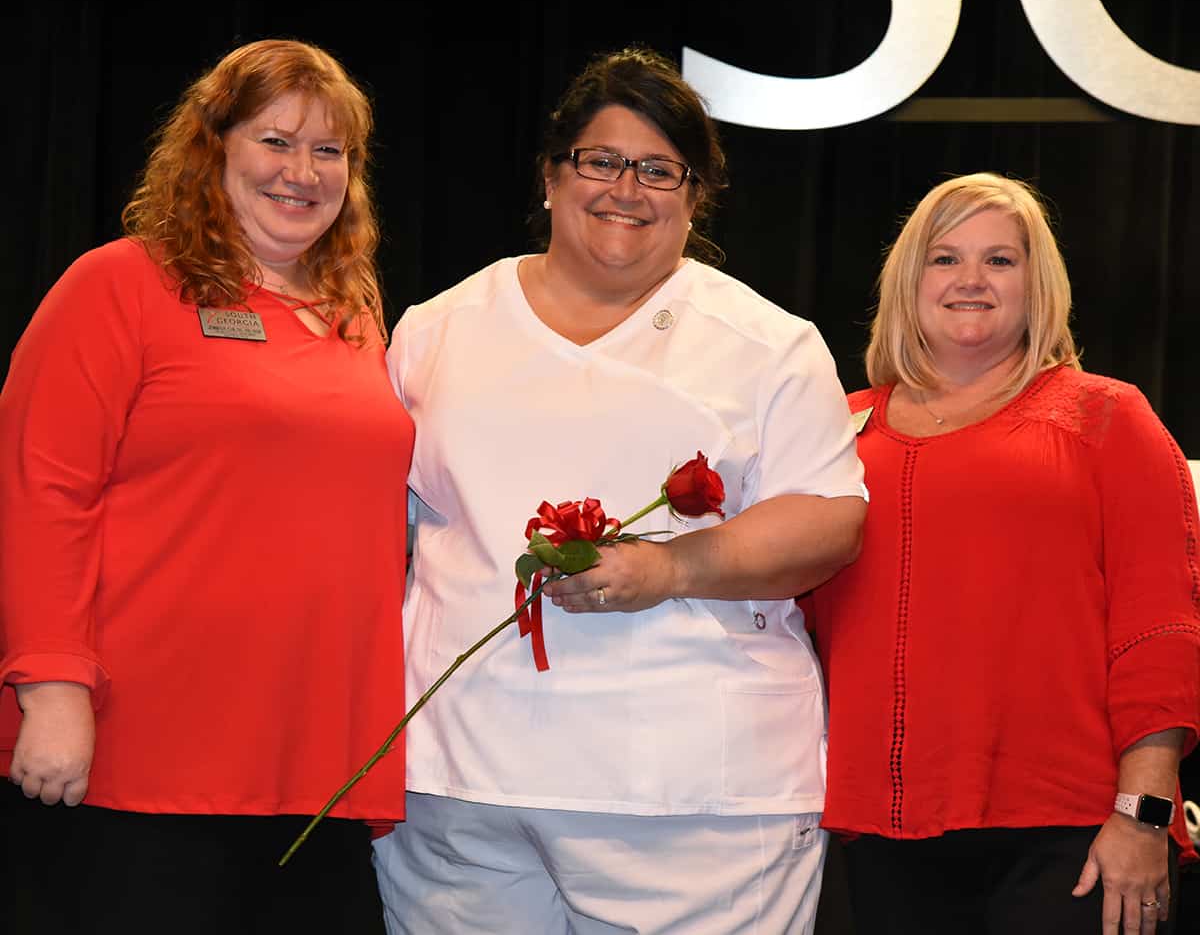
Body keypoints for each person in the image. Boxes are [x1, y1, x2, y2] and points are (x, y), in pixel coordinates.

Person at [372, 47, 867, 934]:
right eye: (600, 160)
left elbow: (828, 521)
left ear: (695, 191)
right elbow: (384, 530)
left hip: (691, 799)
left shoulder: (766, 343)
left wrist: (668, 569)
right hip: (463, 780)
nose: (624, 190)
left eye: (658, 169)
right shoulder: (438, 330)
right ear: (552, 174)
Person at [0, 39, 412, 933]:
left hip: (315, 769)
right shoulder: (116, 285)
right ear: (212, 147)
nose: (302, 172)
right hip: (139, 757)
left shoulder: (354, 313)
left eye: (329, 151)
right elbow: (42, 495)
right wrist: (53, 688)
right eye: (275, 141)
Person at [807, 172, 1200, 935]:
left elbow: (1162, 630)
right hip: (881, 836)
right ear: (908, 279)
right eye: (945, 258)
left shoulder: (1108, 417)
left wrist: (1144, 814)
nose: (971, 281)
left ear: (1037, 283)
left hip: (1075, 838)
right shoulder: (832, 430)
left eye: (1001, 260)